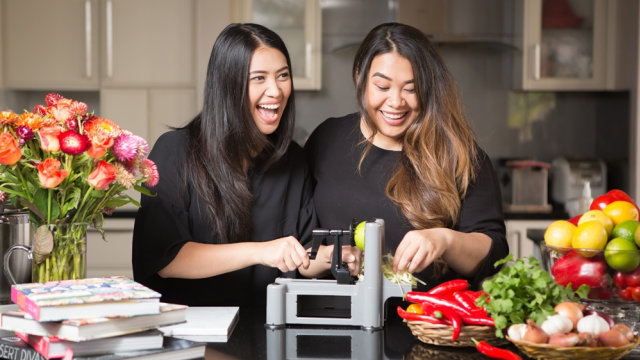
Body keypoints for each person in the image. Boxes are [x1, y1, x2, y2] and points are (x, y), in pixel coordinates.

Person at [303, 22, 508, 291]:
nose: (396, 101)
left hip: (430, 325)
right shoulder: (327, 139)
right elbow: (299, 248)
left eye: (410, 89)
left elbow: (494, 254)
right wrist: (331, 258)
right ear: (359, 78)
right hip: (337, 321)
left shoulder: (460, 155)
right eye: (382, 86)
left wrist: (444, 240)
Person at [132, 23, 317, 307]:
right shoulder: (176, 151)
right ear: (228, 86)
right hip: (189, 334)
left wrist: (331, 259)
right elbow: (165, 258)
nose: (276, 91)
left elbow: (301, 258)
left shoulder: (293, 160)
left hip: (264, 334)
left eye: (283, 76)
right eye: (259, 78)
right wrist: (261, 252)